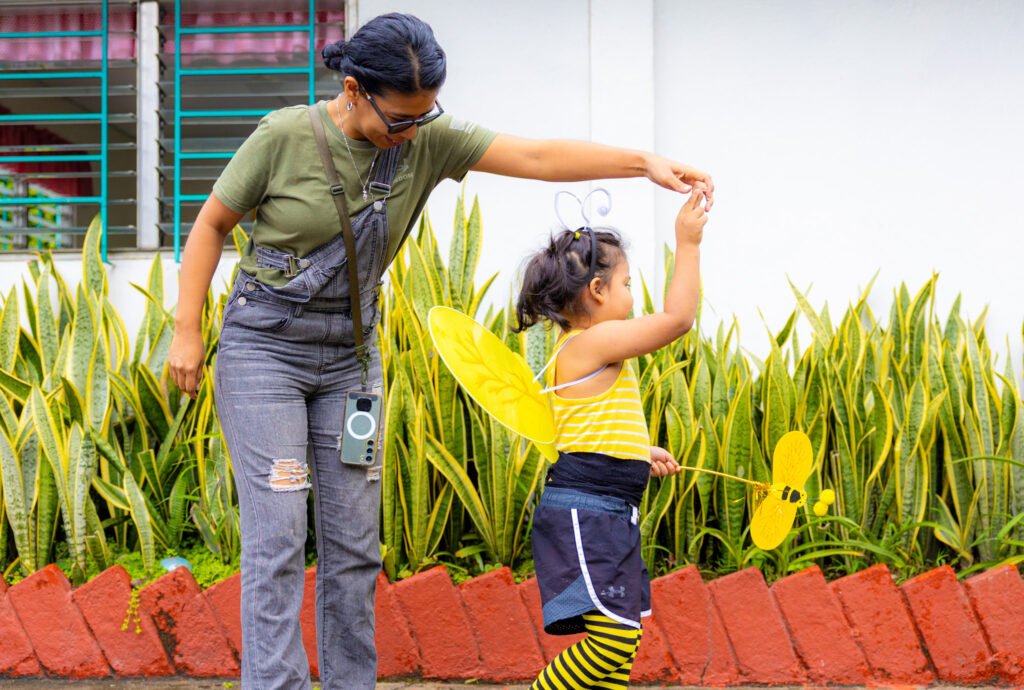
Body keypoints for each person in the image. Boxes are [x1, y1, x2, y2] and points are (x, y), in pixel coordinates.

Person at [167, 12, 713, 690]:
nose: (412, 131)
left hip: (350, 363)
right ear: (355, 88)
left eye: (425, 117)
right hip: (265, 355)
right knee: (277, 540)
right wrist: (187, 327)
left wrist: (643, 163)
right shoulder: (283, 138)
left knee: (353, 546)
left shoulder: (425, 140)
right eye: (399, 118)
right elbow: (213, 223)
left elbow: (538, 158)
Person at [513, 191, 706, 689]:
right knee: (613, 641)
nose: (632, 294)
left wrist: (637, 453)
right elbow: (678, 321)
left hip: (608, 508)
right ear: (598, 290)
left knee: (621, 644)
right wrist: (688, 242)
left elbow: (587, 424)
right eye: (626, 283)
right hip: (587, 509)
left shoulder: (585, 348)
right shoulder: (591, 342)